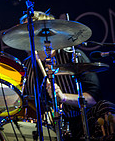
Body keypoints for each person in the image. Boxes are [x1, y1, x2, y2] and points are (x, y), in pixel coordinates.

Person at [20, 11, 115, 140]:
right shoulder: (25, 67)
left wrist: (63, 97)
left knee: (105, 107)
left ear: (47, 34)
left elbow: (93, 99)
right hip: (46, 127)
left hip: (81, 122)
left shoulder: (73, 56)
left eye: (31, 33)